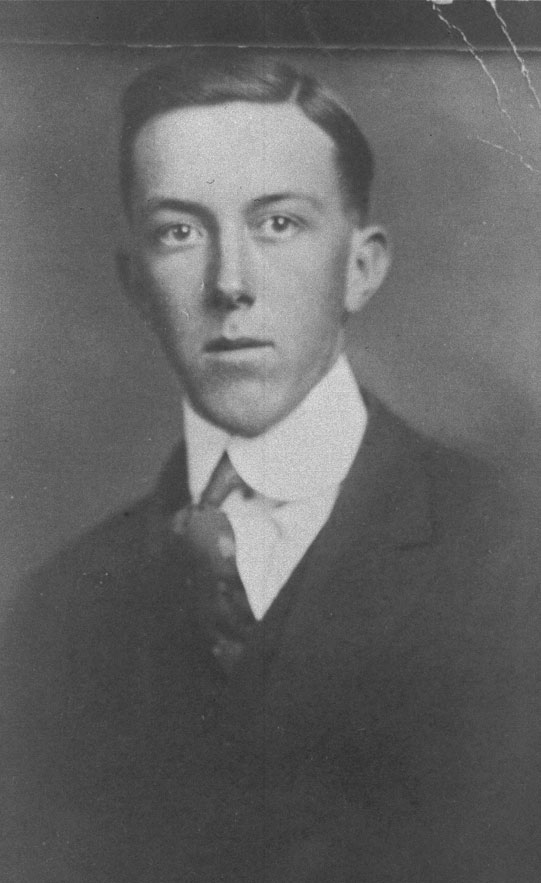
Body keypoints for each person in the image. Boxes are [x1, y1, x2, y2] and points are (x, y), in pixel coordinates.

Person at [2, 53, 539, 882]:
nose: (229, 283)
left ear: (360, 266)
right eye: (179, 231)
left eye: (278, 223)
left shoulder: (514, 555)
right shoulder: (57, 608)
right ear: (134, 282)